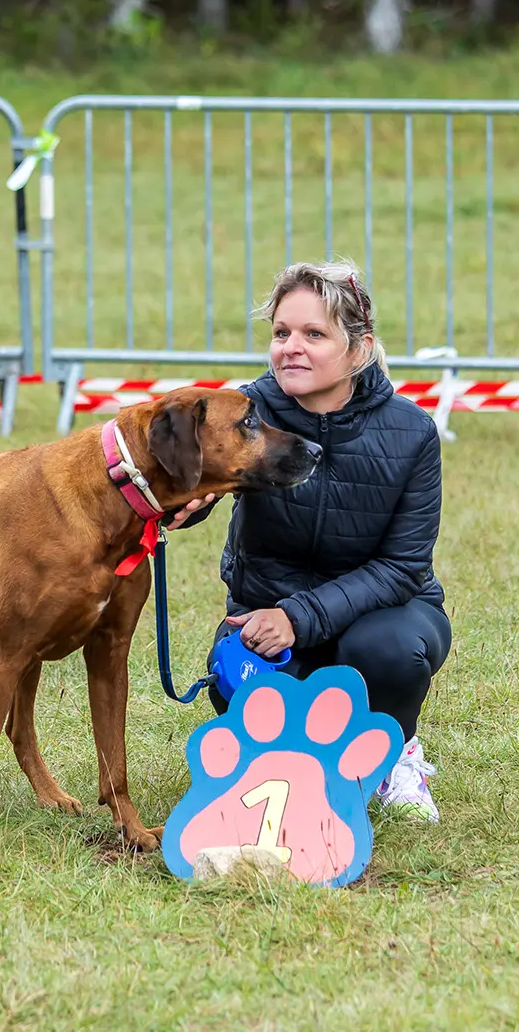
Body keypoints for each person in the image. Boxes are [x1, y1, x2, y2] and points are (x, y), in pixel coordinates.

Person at [169, 260, 451, 821]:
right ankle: (302, 753)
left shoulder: (412, 432)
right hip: (267, 614)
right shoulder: (245, 411)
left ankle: (397, 754)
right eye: (281, 333)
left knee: (385, 654)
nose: (290, 348)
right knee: (239, 683)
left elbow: (401, 567)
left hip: (385, 615)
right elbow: (191, 478)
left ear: (359, 349)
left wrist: (297, 618)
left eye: (313, 334)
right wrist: (186, 500)